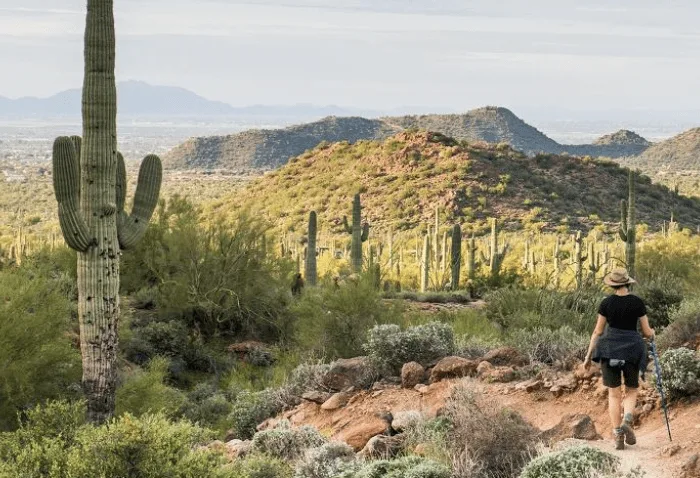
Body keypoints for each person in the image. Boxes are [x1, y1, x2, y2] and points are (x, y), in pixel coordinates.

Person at [584, 268, 655, 450]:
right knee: (631, 390)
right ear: (627, 282)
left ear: (613, 285)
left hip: (609, 349)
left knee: (613, 394)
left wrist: (588, 356)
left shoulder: (606, 303)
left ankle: (618, 436)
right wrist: (652, 333)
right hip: (632, 349)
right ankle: (628, 419)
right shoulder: (637, 302)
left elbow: (598, 331)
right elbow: (647, 332)